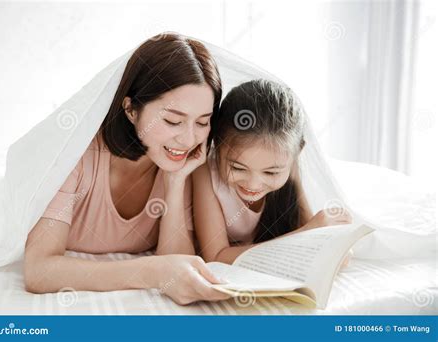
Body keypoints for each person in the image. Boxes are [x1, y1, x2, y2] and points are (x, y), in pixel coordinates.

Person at [24, 33, 230, 305]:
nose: (188, 139)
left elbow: (176, 261)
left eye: (202, 122)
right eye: (172, 121)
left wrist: (175, 181)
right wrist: (151, 273)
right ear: (131, 109)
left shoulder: (189, 164)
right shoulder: (79, 157)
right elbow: (38, 271)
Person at [193, 79, 353, 264]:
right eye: (237, 168)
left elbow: (314, 232)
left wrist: (330, 239)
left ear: (295, 156)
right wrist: (305, 234)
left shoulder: (287, 164)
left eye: (271, 173)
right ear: (216, 145)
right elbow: (216, 256)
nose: (253, 185)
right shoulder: (203, 171)